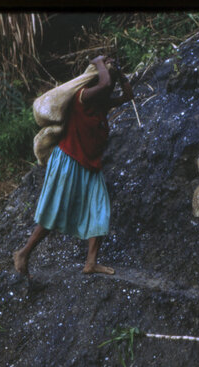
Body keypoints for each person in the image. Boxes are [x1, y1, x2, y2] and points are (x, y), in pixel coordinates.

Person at [14, 55, 133, 279]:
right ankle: (24, 253)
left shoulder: (101, 103)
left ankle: (91, 262)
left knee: (100, 210)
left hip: (89, 163)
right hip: (68, 160)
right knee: (55, 211)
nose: (111, 85)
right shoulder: (83, 97)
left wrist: (120, 74)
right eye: (108, 79)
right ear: (94, 80)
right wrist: (98, 62)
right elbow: (105, 83)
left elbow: (129, 96)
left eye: (112, 80)